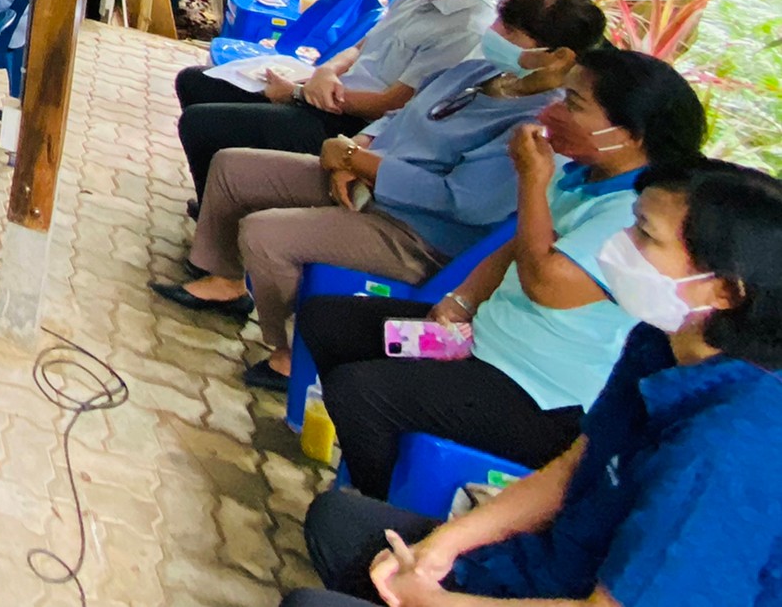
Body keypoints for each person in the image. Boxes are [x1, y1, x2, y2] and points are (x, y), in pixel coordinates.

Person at [283, 158, 782, 607]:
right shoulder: (659, 343)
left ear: (723, 289)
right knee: (339, 523)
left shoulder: (727, 445)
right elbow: (575, 467)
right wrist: (444, 547)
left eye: (645, 236)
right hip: (541, 567)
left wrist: (435, 602)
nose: (619, 246)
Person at [155, 0, 606, 389]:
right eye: (501, 22)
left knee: (265, 233)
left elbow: (462, 201)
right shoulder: (483, 72)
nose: (495, 32)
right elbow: (401, 114)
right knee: (234, 167)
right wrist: (352, 150)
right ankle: (226, 280)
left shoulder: (537, 126)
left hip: (416, 233)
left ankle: (294, 350)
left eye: (512, 30)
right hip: (365, 174)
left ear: (560, 56)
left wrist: (361, 163)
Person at [304, 49, 706, 494]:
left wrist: (531, 180)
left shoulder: (633, 211)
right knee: (330, 321)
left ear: (630, 134)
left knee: (362, 393)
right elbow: (517, 243)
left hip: (541, 393)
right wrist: (462, 301)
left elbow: (545, 283)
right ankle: (382, 460)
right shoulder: (577, 174)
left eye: (572, 104)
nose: (552, 111)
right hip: (480, 340)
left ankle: (383, 509)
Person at [175, 0, 516, 204]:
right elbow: (359, 46)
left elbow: (394, 102)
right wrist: (325, 72)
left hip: (353, 123)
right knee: (195, 82)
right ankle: (216, 202)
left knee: (203, 123)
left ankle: (224, 228)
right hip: (326, 91)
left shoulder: (466, 28)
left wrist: (298, 95)